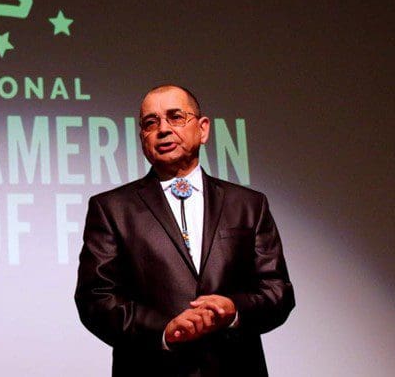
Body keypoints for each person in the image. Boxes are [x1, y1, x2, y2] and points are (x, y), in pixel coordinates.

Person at [75, 85, 294, 376]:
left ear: (203, 129)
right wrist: (164, 330)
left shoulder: (249, 204)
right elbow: (96, 299)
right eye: (151, 123)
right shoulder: (111, 208)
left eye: (175, 117)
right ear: (142, 138)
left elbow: (278, 292)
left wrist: (233, 309)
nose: (163, 129)